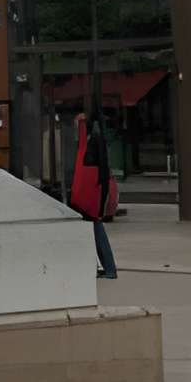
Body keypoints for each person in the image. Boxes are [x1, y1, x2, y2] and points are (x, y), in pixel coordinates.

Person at [68, 114, 117, 279]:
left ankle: (109, 269)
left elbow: (98, 170)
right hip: (89, 193)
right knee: (95, 230)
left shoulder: (92, 143)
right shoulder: (89, 143)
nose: (75, 128)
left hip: (89, 194)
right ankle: (106, 267)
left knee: (96, 229)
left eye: (77, 124)